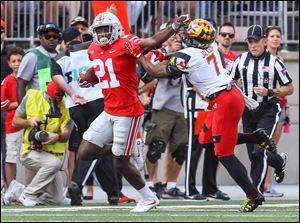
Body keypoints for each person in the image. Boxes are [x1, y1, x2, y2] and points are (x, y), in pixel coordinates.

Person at [126, 18, 270, 212]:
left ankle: (253, 195)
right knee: (205, 139)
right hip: (229, 95)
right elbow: (180, 56)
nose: (185, 36)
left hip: (223, 101)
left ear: (194, 39)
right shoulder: (210, 47)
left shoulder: (189, 55)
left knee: (224, 154)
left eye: (189, 35)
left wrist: (138, 55)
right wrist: (162, 54)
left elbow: (154, 71)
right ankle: (254, 137)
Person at [76, 11, 190, 212]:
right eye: (99, 30)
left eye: (106, 30)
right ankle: (130, 147)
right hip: (109, 109)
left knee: (120, 163)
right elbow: (102, 66)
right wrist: (90, 75)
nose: (102, 34)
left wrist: (173, 27)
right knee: (85, 152)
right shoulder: (93, 49)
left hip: (127, 112)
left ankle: (149, 197)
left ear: (116, 30)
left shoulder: (126, 42)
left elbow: (153, 41)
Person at [51, 28, 122, 206]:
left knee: (95, 145)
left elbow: (55, 77)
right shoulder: (91, 47)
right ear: (80, 37)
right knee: (95, 145)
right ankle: (77, 184)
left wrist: (72, 93)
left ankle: (113, 193)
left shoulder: (61, 55)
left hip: (76, 107)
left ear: (63, 43)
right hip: (98, 101)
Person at [230, 25, 293, 195]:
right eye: (250, 41)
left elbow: (289, 88)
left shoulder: (274, 62)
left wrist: (270, 91)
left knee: (259, 151)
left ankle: (255, 193)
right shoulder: (240, 59)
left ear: (264, 42)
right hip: (248, 111)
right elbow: (231, 81)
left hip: (268, 109)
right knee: (254, 154)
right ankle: (279, 162)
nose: (253, 45)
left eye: (256, 41)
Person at [4, 81, 73, 206]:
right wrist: (29, 122)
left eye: (58, 99)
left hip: (52, 155)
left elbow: (67, 134)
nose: (56, 103)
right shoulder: (31, 96)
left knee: (56, 200)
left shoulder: (65, 106)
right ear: (46, 93)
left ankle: (17, 191)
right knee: (53, 164)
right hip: (30, 151)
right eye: (53, 99)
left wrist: (57, 136)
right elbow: (15, 122)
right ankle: (28, 194)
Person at [263, 26, 290, 197]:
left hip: (278, 107)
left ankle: (266, 184)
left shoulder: (279, 59)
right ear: (265, 39)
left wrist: (286, 108)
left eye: (277, 36)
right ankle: (260, 183)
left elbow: (285, 87)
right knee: (260, 147)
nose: (275, 39)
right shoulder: (260, 58)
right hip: (263, 108)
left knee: (272, 146)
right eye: (272, 36)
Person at [17, 22, 60, 103]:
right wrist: (22, 110)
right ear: (40, 38)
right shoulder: (32, 56)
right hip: (37, 108)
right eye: (47, 36)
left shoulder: (61, 56)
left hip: (59, 107)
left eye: (54, 36)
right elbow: (21, 84)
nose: (51, 39)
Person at [1, 47, 24, 188]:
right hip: (12, 125)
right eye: (13, 61)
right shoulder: (7, 81)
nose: (17, 64)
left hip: (29, 124)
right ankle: (10, 189)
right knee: (11, 158)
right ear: (9, 64)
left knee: (26, 158)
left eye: (20, 60)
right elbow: (2, 104)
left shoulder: (28, 79)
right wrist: (20, 103)